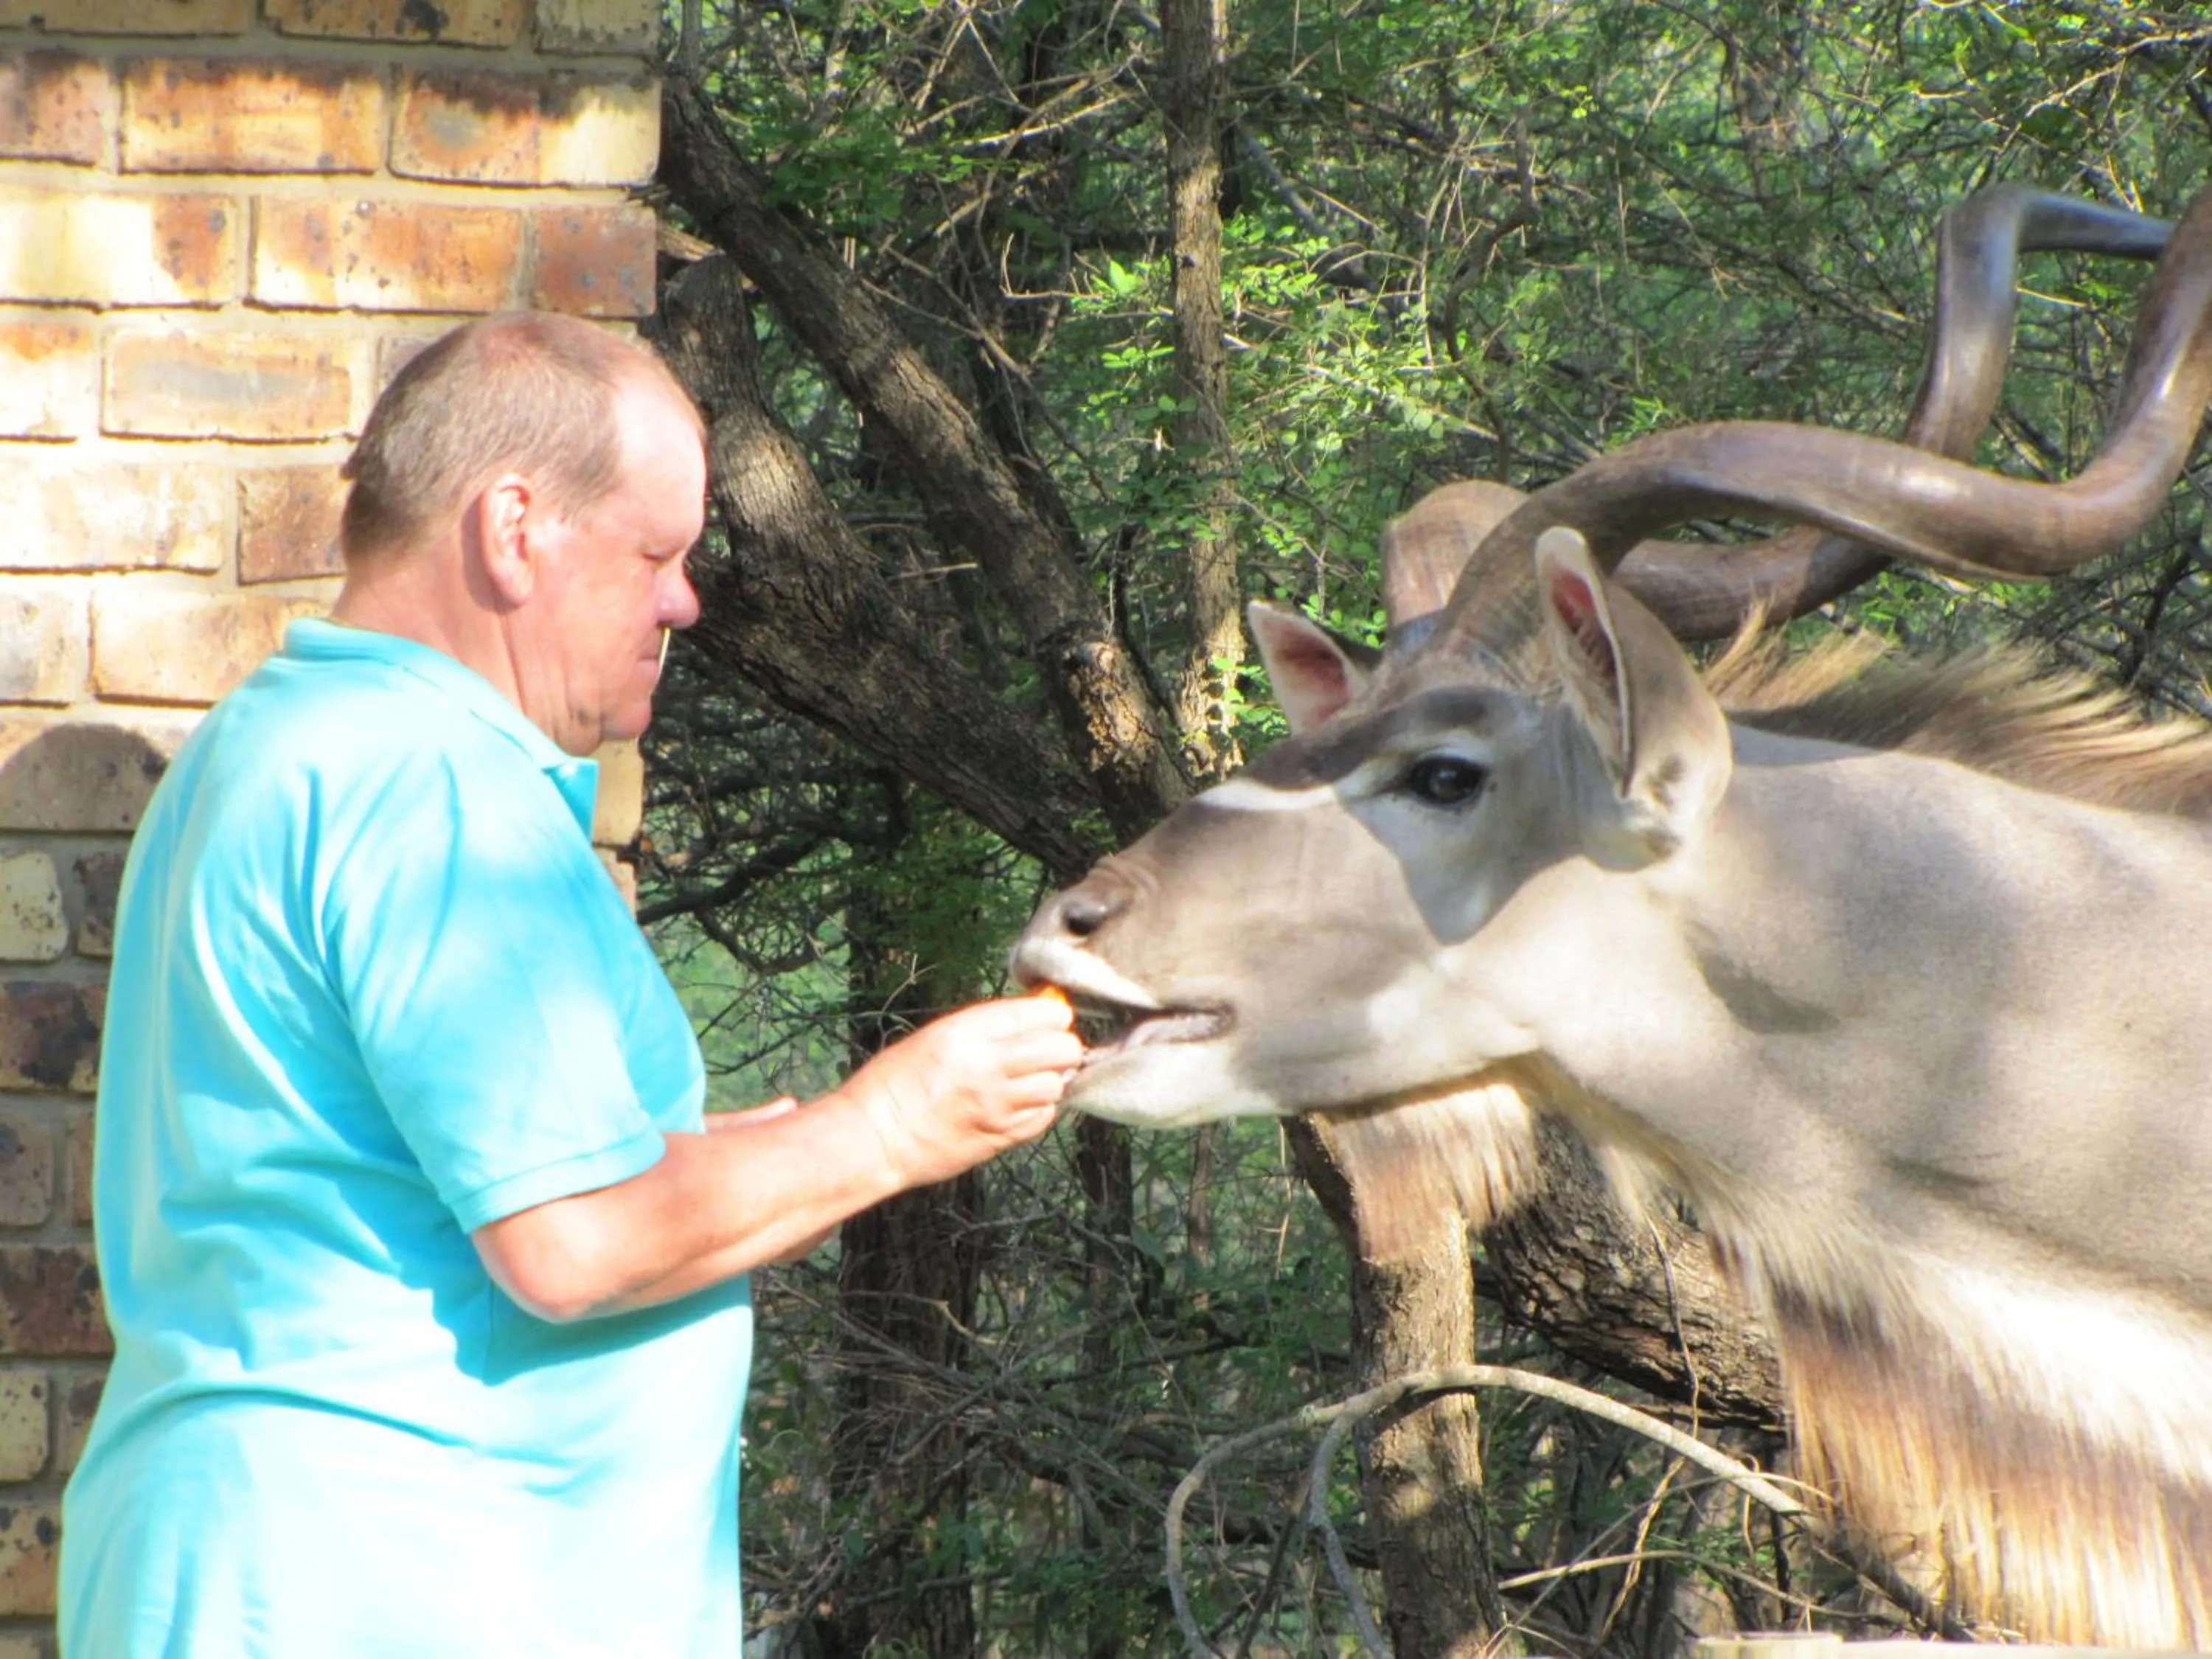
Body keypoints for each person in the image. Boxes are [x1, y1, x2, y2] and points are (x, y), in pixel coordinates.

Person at [58, 311, 1082, 1657]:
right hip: (388, 1588)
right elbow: (572, 1241)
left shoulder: (275, 744)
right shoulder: (432, 784)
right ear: (513, 529)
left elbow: (393, 1179)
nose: (684, 602)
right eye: (656, 554)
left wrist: (694, 1167)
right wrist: (893, 1122)